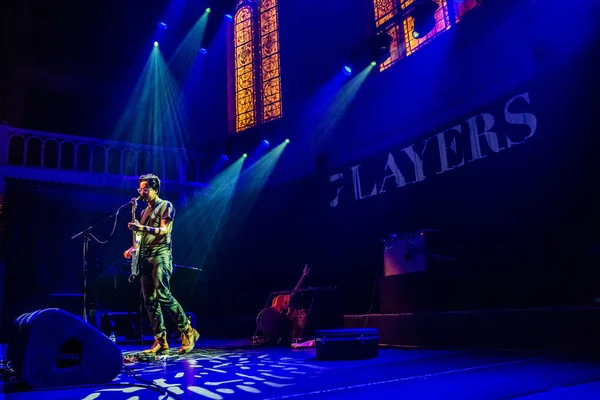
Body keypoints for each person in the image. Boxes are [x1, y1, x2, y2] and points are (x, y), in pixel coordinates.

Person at [123, 173, 199, 355]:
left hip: (161, 254)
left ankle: (188, 330)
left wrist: (141, 228)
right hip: (145, 256)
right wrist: (132, 249)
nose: (141, 192)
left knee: (163, 294)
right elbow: (141, 237)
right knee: (149, 300)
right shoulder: (143, 212)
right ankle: (160, 340)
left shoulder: (166, 206)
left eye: (145, 189)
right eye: (139, 189)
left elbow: (164, 231)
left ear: (155, 189)